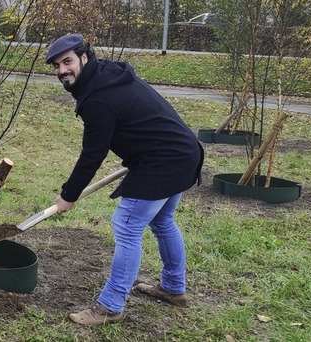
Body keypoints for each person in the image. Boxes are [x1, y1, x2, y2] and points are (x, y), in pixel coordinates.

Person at [45, 34, 204, 326]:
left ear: (84, 57)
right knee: (162, 221)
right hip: (183, 152)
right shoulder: (105, 76)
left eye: (67, 61)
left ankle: (110, 306)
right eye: (56, 66)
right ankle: (173, 288)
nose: (62, 70)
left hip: (165, 161)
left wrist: (69, 195)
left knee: (127, 226)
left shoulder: (99, 98)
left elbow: (92, 154)